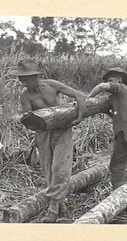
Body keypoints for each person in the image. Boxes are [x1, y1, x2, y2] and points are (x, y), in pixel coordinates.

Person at [15, 58, 86, 223]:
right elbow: (29, 120)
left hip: (63, 131)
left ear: (35, 76)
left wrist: (79, 116)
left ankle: (53, 209)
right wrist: (28, 121)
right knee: (49, 171)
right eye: (21, 79)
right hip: (43, 134)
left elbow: (80, 96)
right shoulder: (25, 96)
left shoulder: (52, 85)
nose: (23, 82)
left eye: (26, 78)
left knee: (60, 169)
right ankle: (61, 208)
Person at [88, 68, 127, 190]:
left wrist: (87, 99)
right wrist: (106, 111)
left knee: (116, 165)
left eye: (112, 78)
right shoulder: (119, 96)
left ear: (120, 79)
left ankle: (119, 191)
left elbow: (101, 86)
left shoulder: (120, 87)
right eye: (108, 78)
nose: (109, 80)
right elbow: (117, 113)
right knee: (124, 149)